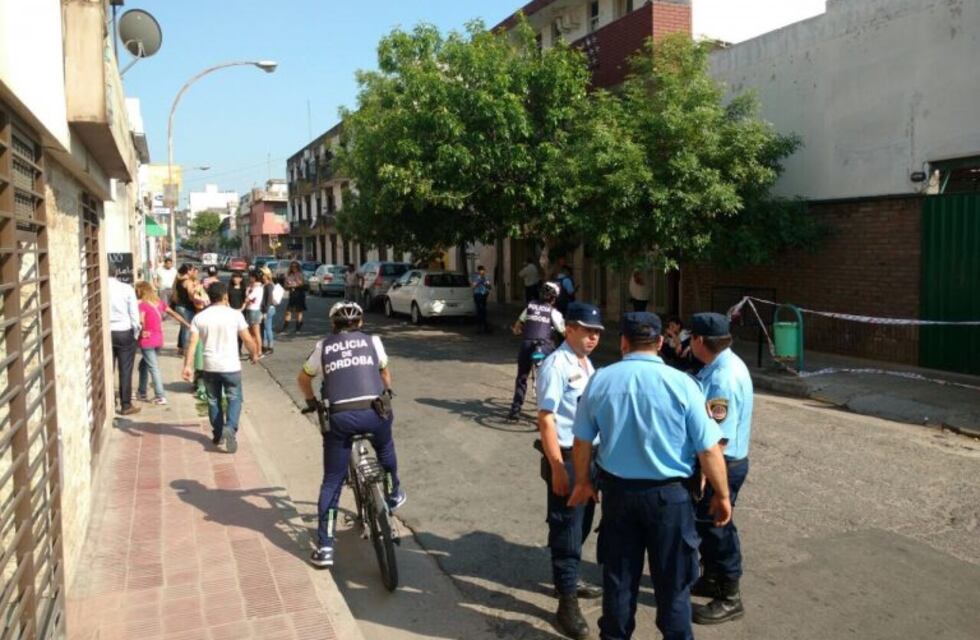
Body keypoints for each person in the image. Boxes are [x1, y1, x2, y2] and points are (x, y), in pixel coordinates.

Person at [568, 311, 732, 640]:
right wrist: (723, 495)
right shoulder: (684, 384)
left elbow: (582, 440)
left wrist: (584, 482)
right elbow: (710, 449)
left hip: (619, 496)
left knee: (619, 580)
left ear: (623, 343)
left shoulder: (600, 380)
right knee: (673, 584)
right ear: (659, 342)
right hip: (670, 499)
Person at [296, 301, 404, 568]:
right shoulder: (374, 341)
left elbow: (304, 378)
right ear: (361, 323)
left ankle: (325, 547)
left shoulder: (323, 347)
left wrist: (312, 402)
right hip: (374, 412)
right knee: (386, 449)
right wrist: (386, 392)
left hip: (340, 417)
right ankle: (393, 492)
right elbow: (384, 373)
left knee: (332, 480)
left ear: (333, 324)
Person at [535, 302, 605, 640]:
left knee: (583, 523)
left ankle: (570, 577)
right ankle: (566, 601)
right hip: (565, 457)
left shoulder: (585, 363)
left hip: (588, 456)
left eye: (597, 333)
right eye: (586, 330)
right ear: (570, 329)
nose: (593, 337)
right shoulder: (555, 364)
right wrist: (557, 468)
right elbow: (546, 419)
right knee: (566, 528)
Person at [689, 312, 754, 625]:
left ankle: (730, 595)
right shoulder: (721, 365)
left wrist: (707, 477)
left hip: (722, 464)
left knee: (718, 527)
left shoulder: (722, 377)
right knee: (706, 525)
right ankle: (712, 577)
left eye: (691, 338)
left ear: (701, 341)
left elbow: (718, 438)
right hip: (722, 462)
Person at [182, 281, 260, 453]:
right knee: (234, 398)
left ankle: (218, 434)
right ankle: (230, 428)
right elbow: (247, 339)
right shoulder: (235, 315)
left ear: (209, 297)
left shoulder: (199, 317)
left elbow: (192, 344)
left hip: (209, 367)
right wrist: (254, 353)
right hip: (231, 366)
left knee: (213, 400)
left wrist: (187, 366)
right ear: (225, 296)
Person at [508, 281, 565, 421]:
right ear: (554, 297)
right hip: (544, 347)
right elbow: (563, 332)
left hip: (527, 346)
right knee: (547, 379)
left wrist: (516, 330)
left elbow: (518, 326)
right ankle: (546, 413)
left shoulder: (530, 307)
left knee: (522, 377)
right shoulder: (553, 312)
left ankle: (515, 410)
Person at [135, 281, 191, 405]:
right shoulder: (159, 303)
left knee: (153, 367)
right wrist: (187, 324)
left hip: (147, 340)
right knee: (143, 365)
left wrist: (141, 331)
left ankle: (160, 395)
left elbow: (141, 321)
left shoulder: (142, 305)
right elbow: (174, 314)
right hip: (158, 340)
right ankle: (142, 392)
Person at [108, 265, 142, 416]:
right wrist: (136, 332)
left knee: (107, 368)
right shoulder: (126, 288)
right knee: (125, 369)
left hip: (106, 331)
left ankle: (108, 400)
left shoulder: (98, 287)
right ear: (116, 273)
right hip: (124, 330)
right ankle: (125, 404)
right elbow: (134, 313)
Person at [173, 264, 198, 355]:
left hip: (179, 306)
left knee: (183, 328)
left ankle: (182, 348)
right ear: (188, 271)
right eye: (192, 270)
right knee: (187, 328)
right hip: (186, 307)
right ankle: (186, 350)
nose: (193, 272)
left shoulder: (178, 280)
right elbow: (191, 297)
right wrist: (196, 289)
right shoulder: (188, 282)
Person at [282, 261, 307, 333]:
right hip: (292, 295)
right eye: (292, 266)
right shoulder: (289, 275)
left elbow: (302, 283)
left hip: (299, 294)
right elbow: (285, 285)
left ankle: (298, 328)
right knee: (288, 312)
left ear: (298, 267)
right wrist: (287, 286)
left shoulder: (300, 274)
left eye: (295, 266)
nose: (294, 268)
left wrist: (295, 284)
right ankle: (285, 328)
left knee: (298, 312)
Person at [245, 269, 265, 354]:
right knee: (251, 333)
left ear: (255, 277)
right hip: (250, 310)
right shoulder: (251, 286)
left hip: (254, 311)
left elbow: (248, 298)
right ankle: (254, 350)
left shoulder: (258, 288)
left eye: (251, 276)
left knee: (256, 333)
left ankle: (259, 351)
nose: (250, 278)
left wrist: (248, 296)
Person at [471, 265, 492, 334]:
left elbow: (489, 287)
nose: (483, 271)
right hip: (477, 295)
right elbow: (473, 286)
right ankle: (479, 328)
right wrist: (479, 281)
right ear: (479, 271)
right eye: (481, 270)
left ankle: (485, 327)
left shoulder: (486, 277)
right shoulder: (476, 277)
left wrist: (486, 284)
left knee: (484, 311)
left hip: (483, 295)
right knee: (479, 311)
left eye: (483, 270)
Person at [261, 269, 278, 354]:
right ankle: (264, 345)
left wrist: (265, 311)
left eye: (262, 274)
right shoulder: (266, 285)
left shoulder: (269, 286)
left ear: (266, 275)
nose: (261, 276)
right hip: (267, 308)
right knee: (264, 328)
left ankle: (270, 346)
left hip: (268, 309)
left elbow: (268, 299)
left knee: (268, 328)